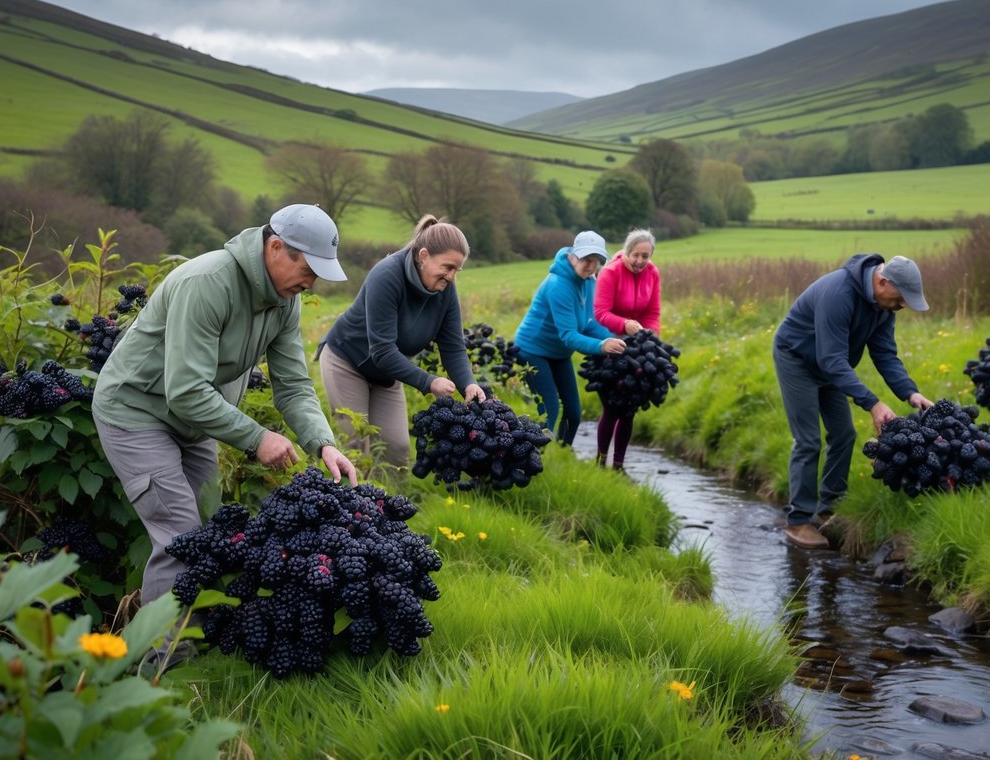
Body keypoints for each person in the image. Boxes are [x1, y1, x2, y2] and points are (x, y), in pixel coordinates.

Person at [92, 203, 357, 664]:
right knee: (180, 538)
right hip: (135, 412)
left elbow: (293, 386)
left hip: (194, 423)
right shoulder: (207, 282)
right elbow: (187, 391)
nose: (311, 282)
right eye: (308, 269)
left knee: (207, 533)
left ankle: (173, 633)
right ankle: (165, 666)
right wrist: (258, 438)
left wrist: (324, 443)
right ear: (276, 248)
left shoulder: (283, 301)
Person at [772, 253, 933, 549]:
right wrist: (872, 403)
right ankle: (798, 522)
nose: (901, 306)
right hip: (796, 358)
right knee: (808, 440)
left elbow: (884, 355)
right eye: (900, 299)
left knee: (844, 433)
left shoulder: (884, 308)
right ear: (883, 281)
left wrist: (911, 393)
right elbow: (831, 360)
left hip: (831, 364)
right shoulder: (839, 293)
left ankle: (829, 507)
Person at [316, 216, 485, 468]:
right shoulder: (387, 275)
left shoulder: (445, 290)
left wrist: (468, 384)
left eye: (456, 270)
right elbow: (382, 350)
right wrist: (429, 382)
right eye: (447, 267)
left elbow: (452, 346)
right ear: (424, 255)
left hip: (387, 372)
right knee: (355, 445)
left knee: (397, 450)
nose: (451, 277)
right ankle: (353, 505)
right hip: (347, 363)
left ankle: (388, 506)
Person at [515, 230, 627, 446]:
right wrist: (603, 345)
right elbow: (569, 336)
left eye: (596, 261)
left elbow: (588, 323)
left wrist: (617, 339)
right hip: (532, 350)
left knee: (574, 413)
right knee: (549, 409)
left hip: (558, 353)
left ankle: (563, 453)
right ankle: (535, 458)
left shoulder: (588, 280)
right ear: (573, 256)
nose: (591, 266)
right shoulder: (558, 285)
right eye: (587, 260)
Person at [593, 228, 661, 472]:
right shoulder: (610, 272)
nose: (640, 261)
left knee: (630, 409)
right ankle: (600, 462)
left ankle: (619, 466)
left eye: (646, 256)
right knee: (612, 407)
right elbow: (600, 312)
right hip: (608, 343)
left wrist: (651, 336)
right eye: (636, 255)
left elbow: (652, 313)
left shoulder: (653, 274)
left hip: (637, 347)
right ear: (627, 252)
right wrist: (624, 325)